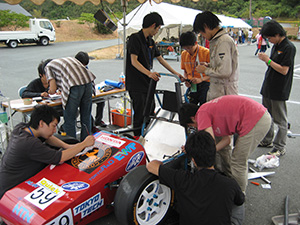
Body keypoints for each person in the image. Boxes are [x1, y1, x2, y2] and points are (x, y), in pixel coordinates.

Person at [147, 130, 245, 225]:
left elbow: (151, 166)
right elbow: (240, 201)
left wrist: (162, 165)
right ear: (213, 152)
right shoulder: (230, 184)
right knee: (238, 201)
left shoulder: (182, 179)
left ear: (193, 160)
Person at [179, 95, 271, 193]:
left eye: (191, 125)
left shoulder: (201, 114)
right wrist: (211, 150)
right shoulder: (209, 111)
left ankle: (239, 196)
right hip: (258, 115)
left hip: (256, 119)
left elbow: (207, 143)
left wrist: (191, 149)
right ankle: (234, 189)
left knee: (238, 161)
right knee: (237, 161)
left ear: (192, 118)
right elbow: (226, 140)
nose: (195, 127)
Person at [0, 105, 95, 200]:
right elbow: (60, 157)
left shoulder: (22, 128)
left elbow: (48, 137)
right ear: (41, 123)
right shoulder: (29, 143)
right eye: (53, 126)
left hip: (5, 180)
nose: (54, 131)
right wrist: (83, 144)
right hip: (11, 191)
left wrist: (67, 146)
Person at [193, 11, 239, 178]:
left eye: (202, 31)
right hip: (217, 91)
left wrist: (206, 69)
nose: (202, 35)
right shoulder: (216, 40)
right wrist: (209, 65)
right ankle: (219, 172)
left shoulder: (224, 41)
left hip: (224, 92)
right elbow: (219, 66)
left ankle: (227, 176)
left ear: (206, 26)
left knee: (223, 138)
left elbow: (225, 71)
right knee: (216, 135)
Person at [125, 12, 183, 136]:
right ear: (153, 25)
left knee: (150, 110)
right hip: (136, 84)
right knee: (140, 113)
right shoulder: (135, 39)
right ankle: (137, 139)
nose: (158, 31)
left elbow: (160, 59)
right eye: (158, 28)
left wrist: (176, 73)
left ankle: (147, 136)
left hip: (147, 83)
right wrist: (149, 73)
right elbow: (133, 61)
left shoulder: (150, 41)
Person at [258, 20, 296, 156]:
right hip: (268, 85)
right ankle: (267, 140)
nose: (269, 40)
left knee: (280, 120)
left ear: (278, 34)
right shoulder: (276, 45)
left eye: (270, 38)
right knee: (266, 116)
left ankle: (280, 146)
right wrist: (268, 61)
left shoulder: (289, 47)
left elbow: (284, 70)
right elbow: (273, 65)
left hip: (279, 88)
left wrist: (267, 60)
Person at [45, 51, 96, 141]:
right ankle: (87, 142)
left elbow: (52, 90)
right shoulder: (66, 60)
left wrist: (49, 91)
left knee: (70, 119)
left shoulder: (48, 67)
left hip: (74, 86)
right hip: (88, 82)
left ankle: (72, 145)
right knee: (86, 116)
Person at [180, 31, 210, 106]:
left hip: (205, 84)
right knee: (188, 106)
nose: (188, 51)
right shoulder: (184, 54)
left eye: (189, 48)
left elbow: (214, 73)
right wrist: (186, 79)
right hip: (192, 84)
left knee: (204, 107)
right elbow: (185, 71)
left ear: (196, 43)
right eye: (185, 48)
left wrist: (201, 79)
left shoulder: (206, 53)